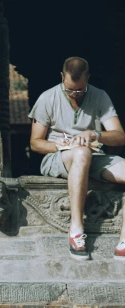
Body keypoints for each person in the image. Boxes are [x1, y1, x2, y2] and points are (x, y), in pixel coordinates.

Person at [29, 56, 125, 261]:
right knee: (81, 153)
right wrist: (60, 145)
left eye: (80, 90)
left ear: (88, 78)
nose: (74, 95)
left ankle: (123, 242)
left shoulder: (100, 96)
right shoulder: (48, 97)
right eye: (70, 89)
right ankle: (76, 229)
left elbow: (119, 137)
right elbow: (35, 143)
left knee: (87, 152)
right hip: (59, 157)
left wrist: (95, 134)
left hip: (95, 155)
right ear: (62, 77)